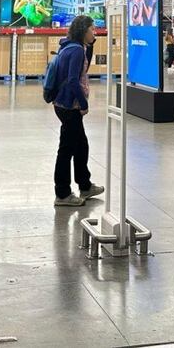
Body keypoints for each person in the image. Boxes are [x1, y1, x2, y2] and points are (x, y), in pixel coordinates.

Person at [51, 15, 105, 207]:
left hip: (65, 103)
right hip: (69, 105)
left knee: (81, 146)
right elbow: (74, 80)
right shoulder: (76, 51)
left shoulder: (72, 46)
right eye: (92, 29)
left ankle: (85, 185)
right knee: (67, 149)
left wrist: (91, 42)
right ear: (84, 30)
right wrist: (83, 104)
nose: (95, 32)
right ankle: (63, 193)